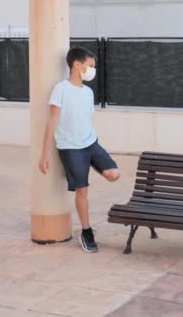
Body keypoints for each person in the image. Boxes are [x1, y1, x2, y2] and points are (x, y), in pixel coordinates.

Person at [38, 46, 120, 253]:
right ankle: (86, 231)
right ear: (77, 64)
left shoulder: (88, 92)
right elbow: (52, 121)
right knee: (82, 190)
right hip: (71, 148)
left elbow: (85, 119)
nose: (92, 70)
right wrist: (44, 154)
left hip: (91, 143)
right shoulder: (61, 89)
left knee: (114, 174)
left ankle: (85, 167)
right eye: (90, 66)